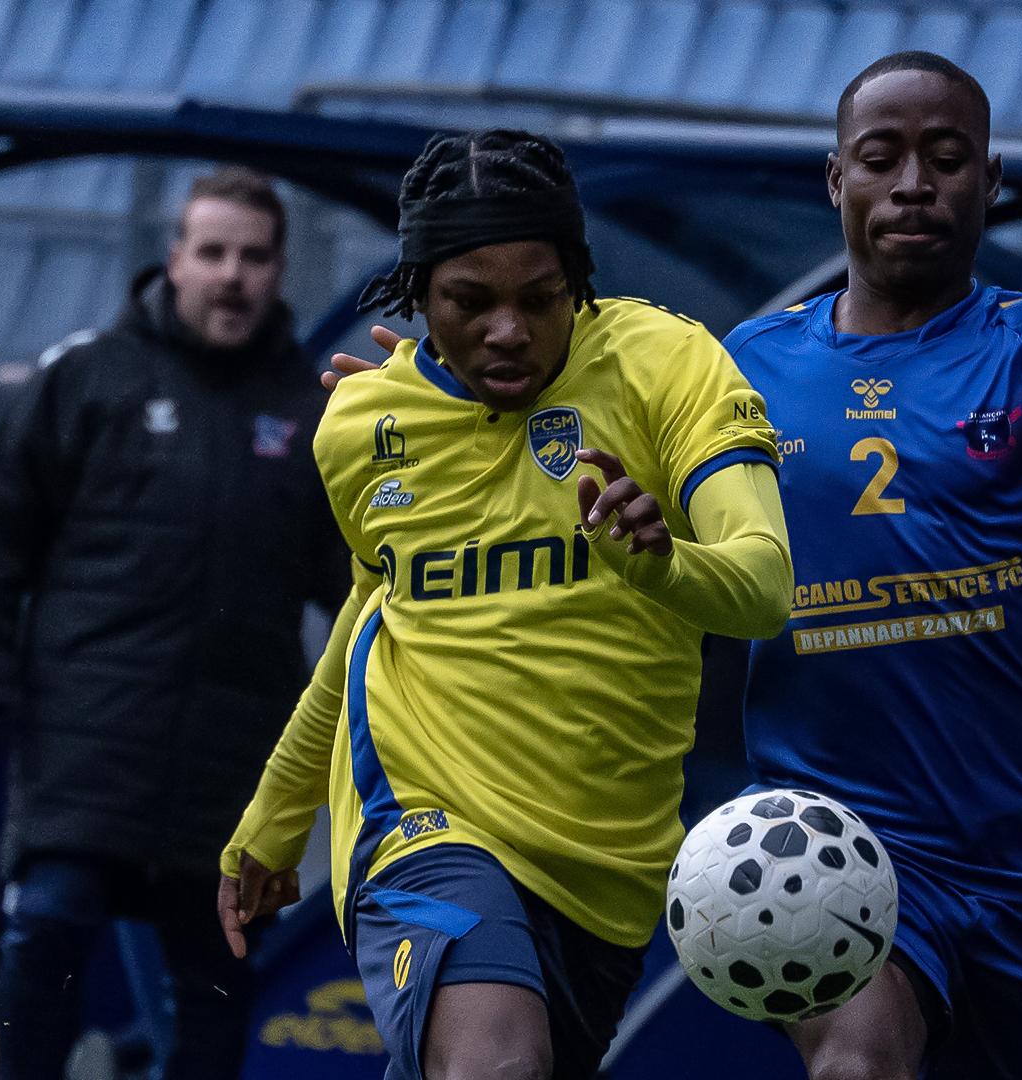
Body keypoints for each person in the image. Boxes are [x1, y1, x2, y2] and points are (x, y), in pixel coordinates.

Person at [217, 129, 793, 1080]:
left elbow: (765, 588)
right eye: (469, 302)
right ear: (416, 294)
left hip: (607, 866)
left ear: (578, 280)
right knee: (496, 1066)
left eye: (540, 297)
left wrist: (662, 565)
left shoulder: (665, 365)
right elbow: (370, 624)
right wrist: (277, 815)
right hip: (422, 820)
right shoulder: (362, 425)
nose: (509, 331)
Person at [722, 51, 1022, 1079]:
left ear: (989, 182)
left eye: (946, 159)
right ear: (836, 179)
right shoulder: (744, 366)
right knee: (858, 1061)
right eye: (882, 158)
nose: (914, 184)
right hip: (839, 836)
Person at [0, 167, 347, 1079]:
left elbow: (360, 588)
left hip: (231, 771)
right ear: (175, 260)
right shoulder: (90, 378)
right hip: (87, 748)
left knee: (214, 996)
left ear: (280, 271)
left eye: (253, 257)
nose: (232, 276)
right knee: (46, 939)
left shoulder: (313, 413)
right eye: (213, 252)